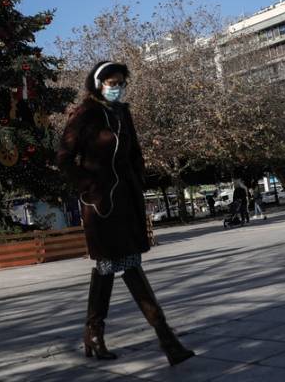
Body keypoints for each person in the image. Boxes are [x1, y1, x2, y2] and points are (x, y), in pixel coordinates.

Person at [57, 60, 195, 367]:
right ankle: (165, 339)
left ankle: (98, 335)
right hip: (100, 205)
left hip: (126, 200)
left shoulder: (122, 113)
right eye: (110, 81)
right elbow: (64, 157)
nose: (116, 87)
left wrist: (137, 178)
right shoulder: (85, 114)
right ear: (97, 83)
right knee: (114, 266)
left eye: (120, 81)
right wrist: (87, 186)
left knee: (127, 264)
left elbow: (134, 153)